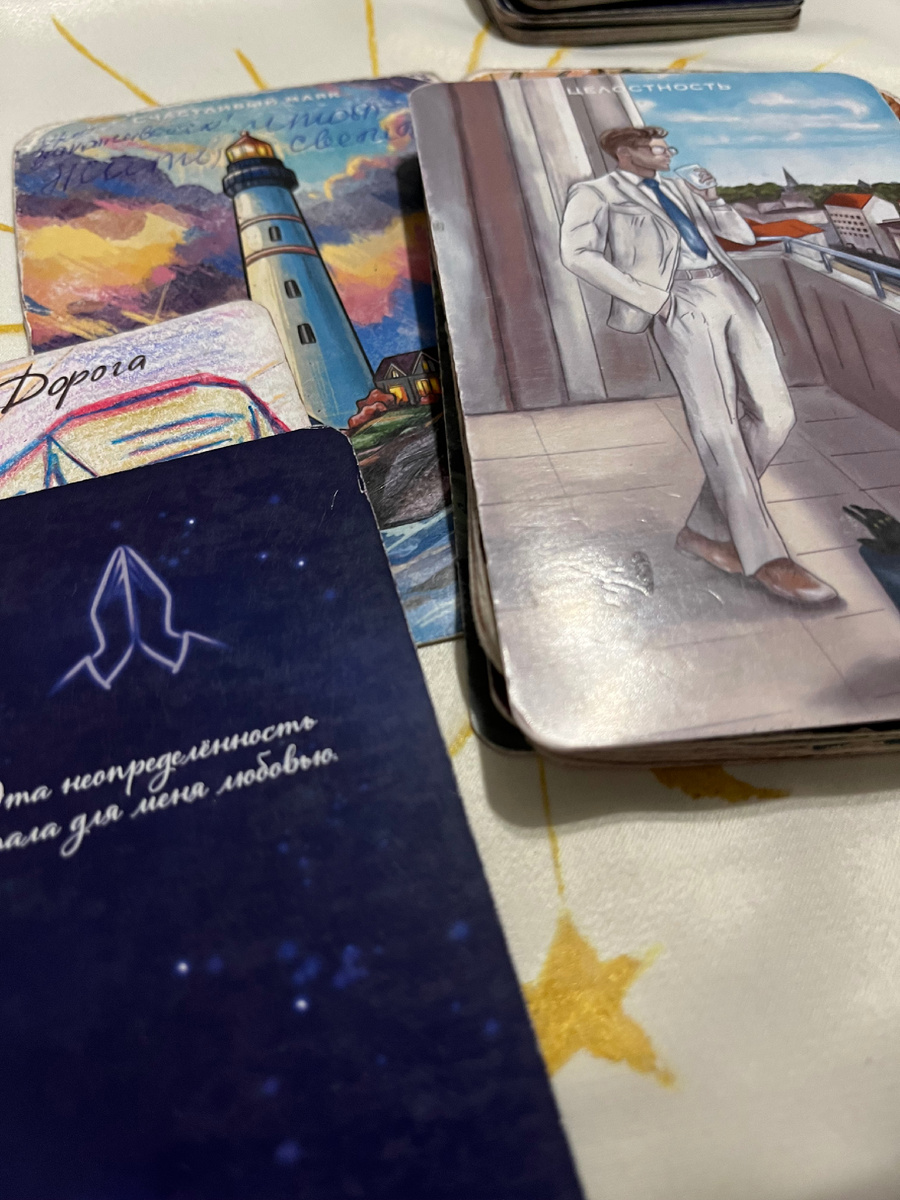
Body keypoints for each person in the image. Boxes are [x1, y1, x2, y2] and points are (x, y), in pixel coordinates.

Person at [560, 124, 836, 605]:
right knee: (718, 427)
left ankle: (703, 532)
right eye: (657, 148)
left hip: (729, 292)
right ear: (625, 152)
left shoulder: (679, 188)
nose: (668, 153)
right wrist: (653, 299)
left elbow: (740, 235)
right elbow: (576, 253)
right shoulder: (596, 193)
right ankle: (765, 558)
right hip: (680, 301)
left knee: (776, 416)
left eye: (667, 146)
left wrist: (712, 198)